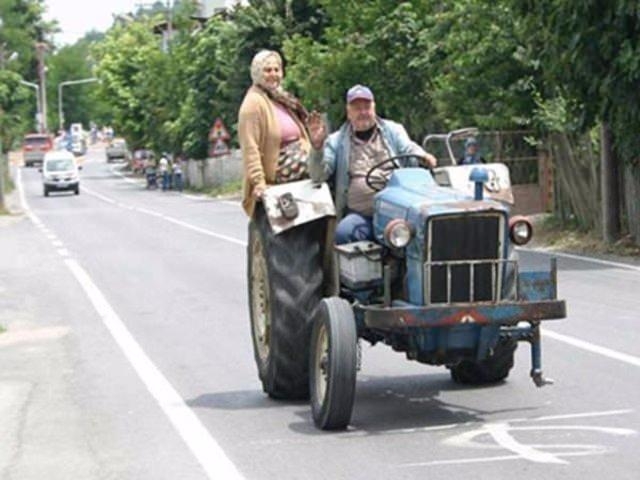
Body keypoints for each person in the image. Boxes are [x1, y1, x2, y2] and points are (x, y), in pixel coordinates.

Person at [309, 84, 437, 244]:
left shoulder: (393, 130)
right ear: (348, 112)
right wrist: (317, 148)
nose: (363, 112)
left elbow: (408, 148)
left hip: (398, 214)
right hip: (362, 216)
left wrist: (423, 155)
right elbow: (318, 176)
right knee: (343, 232)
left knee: (427, 228)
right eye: (357, 108)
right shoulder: (336, 141)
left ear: (374, 108)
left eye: (367, 107)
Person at [238, 49, 326, 218]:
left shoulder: (280, 98)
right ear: (257, 73)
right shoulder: (253, 103)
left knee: (331, 159)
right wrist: (259, 182)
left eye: (277, 70)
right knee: (321, 166)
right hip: (280, 164)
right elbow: (250, 148)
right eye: (267, 70)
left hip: (301, 152)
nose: (273, 74)